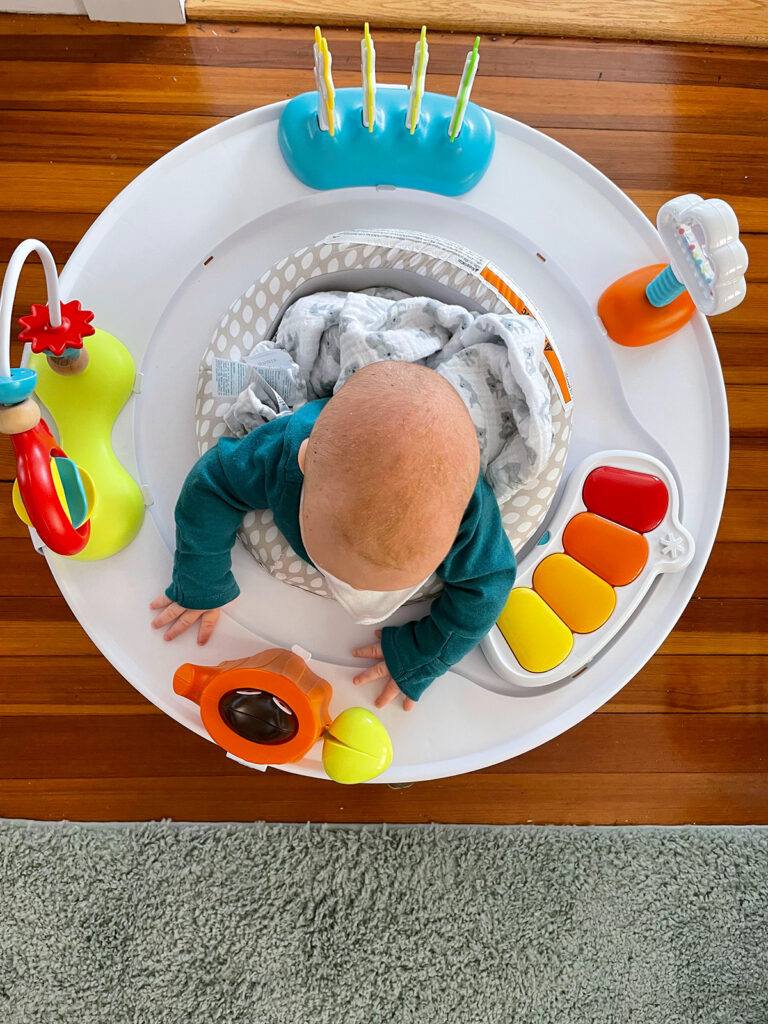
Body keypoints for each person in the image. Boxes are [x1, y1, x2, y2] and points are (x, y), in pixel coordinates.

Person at [151, 361, 516, 710]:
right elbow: (212, 483)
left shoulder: (467, 512)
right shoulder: (282, 455)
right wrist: (200, 576)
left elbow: (490, 584)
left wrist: (424, 654)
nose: (353, 591)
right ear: (304, 463)